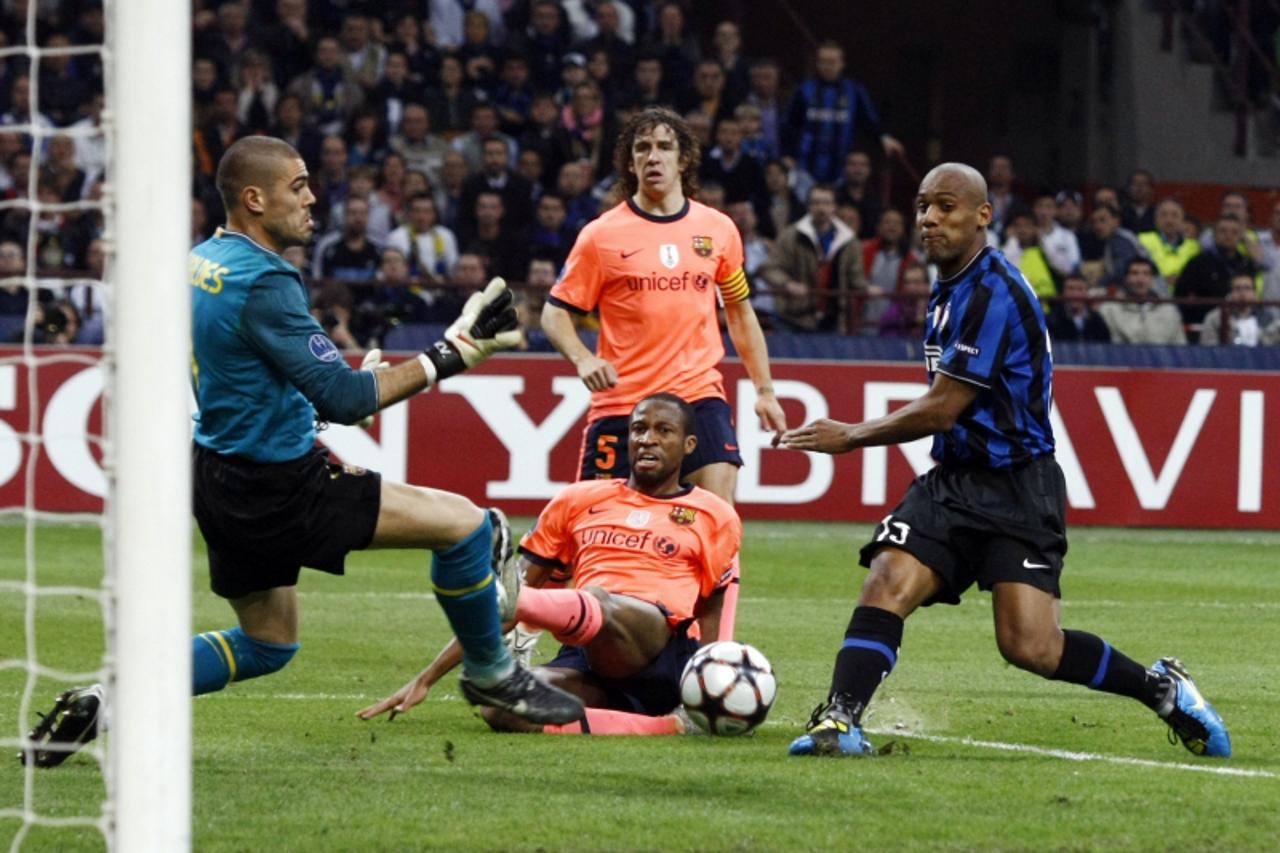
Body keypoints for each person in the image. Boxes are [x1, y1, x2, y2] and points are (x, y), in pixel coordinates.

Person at [21, 136, 582, 769]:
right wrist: (453, 353)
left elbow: (241, 373)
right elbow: (344, 397)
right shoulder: (266, 280)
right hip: (282, 485)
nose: (313, 198)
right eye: (298, 186)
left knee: (267, 645)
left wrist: (305, 402)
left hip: (218, 474)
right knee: (468, 528)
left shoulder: (202, 261)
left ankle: (108, 699)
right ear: (255, 199)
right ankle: (491, 674)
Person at [782, 162, 1230, 760]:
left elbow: (943, 408)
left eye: (946, 207)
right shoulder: (952, 285)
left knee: (1030, 646)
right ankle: (840, 721)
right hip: (953, 481)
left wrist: (851, 435)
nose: (929, 220)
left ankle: (1162, 690)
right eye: (922, 207)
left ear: (983, 215)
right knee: (887, 581)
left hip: (1019, 486)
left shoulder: (993, 291)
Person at [357, 394, 741, 735]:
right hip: (588, 655)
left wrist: (711, 680)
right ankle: (668, 726)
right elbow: (508, 601)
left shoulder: (712, 514)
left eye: (663, 430)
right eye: (638, 428)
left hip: (660, 651)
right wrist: (426, 678)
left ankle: (513, 591)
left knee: (595, 599)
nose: (647, 439)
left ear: (689, 444)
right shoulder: (578, 500)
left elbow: (714, 607)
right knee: (503, 706)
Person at [542, 107, 786, 504]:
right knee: (591, 537)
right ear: (632, 162)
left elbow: (740, 312)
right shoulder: (600, 236)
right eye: (642, 148)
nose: (653, 156)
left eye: (664, 147)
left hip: (697, 397)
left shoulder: (718, 230)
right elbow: (554, 313)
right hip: (624, 403)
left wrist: (765, 390)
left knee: (715, 520)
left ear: (683, 158)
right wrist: (583, 359)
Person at [1099, 257, 1186, 345]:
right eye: (1134, 273)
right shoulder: (1109, 310)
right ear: (1125, 278)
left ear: (1152, 279)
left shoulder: (1169, 311)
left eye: (1146, 274)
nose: (1140, 280)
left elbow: (1180, 348)